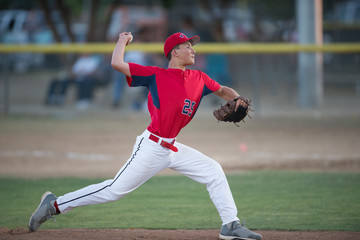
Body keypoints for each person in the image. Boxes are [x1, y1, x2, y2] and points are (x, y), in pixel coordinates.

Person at [29, 32, 262, 240]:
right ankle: (55, 205)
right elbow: (117, 63)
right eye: (187, 46)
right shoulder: (155, 75)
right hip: (151, 146)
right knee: (113, 190)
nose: (193, 50)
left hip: (172, 148)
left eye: (193, 46)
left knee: (213, 170)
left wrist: (238, 99)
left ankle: (230, 225)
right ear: (174, 52)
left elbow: (222, 91)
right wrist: (122, 40)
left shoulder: (198, 78)